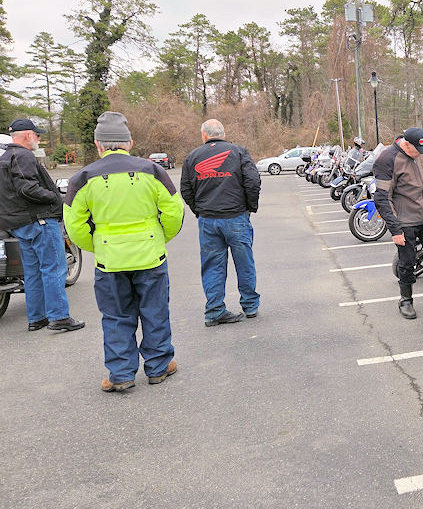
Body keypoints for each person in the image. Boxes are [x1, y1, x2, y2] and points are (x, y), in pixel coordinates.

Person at [63, 112, 184, 392]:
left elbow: (74, 225)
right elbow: (174, 212)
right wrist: (159, 238)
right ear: (129, 143)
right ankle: (159, 366)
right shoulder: (152, 171)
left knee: (116, 316)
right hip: (150, 256)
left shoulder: (83, 177)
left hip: (109, 261)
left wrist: (98, 246)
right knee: (155, 311)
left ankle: (120, 374)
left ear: (98, 144)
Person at [0, 119, 83, 332]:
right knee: (54, 268)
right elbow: (27, 188)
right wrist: (56, 199)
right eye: (37, 135)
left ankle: (37, 318)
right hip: (39, 220)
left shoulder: (5, 157)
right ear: (28, 135)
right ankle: (59, 317)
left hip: (20, 224)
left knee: (33, 272)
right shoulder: (23, 156)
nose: (38, 138)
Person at [180, 119, 261, 326]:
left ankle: (215, 310)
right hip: (236, 217)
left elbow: (186, 190)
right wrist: (249, 208)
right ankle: (250, 305)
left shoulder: (192, 157)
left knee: (212, 266)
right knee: (244, 263)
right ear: (223, 134)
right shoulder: (239, 152)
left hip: (208, 220)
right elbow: (253, 181)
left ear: (204, 135)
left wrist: (199, 210)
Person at [373, 127, 423, 320]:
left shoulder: (421, 153)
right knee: (407, 263)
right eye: (418, 150)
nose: (422, 154)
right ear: (406, 144)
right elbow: (382, 197)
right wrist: (395, 229)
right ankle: (405, 300)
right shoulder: (388, 159)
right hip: (404, 221)